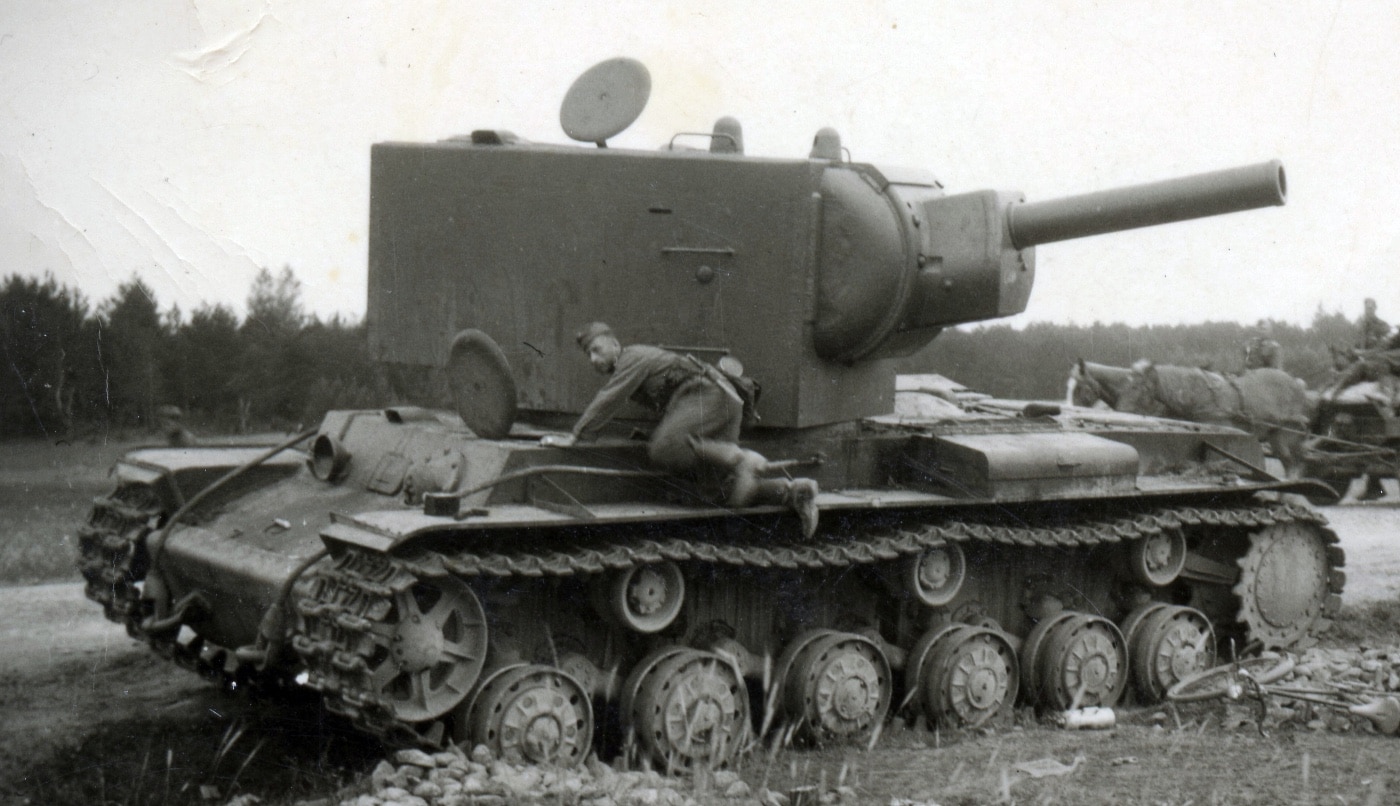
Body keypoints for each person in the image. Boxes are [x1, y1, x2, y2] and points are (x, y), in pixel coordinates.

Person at [539, 322, 821, 536]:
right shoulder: (636, 361)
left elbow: (609, 397)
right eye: (589, 355)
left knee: (664, 449)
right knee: (719, 493)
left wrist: (576, 435)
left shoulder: (631, 357)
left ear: (614, 344)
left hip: (707, 395)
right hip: (720, 402)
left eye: (597, 350)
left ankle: (742, 458)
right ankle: (791, 491)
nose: (594, 359)